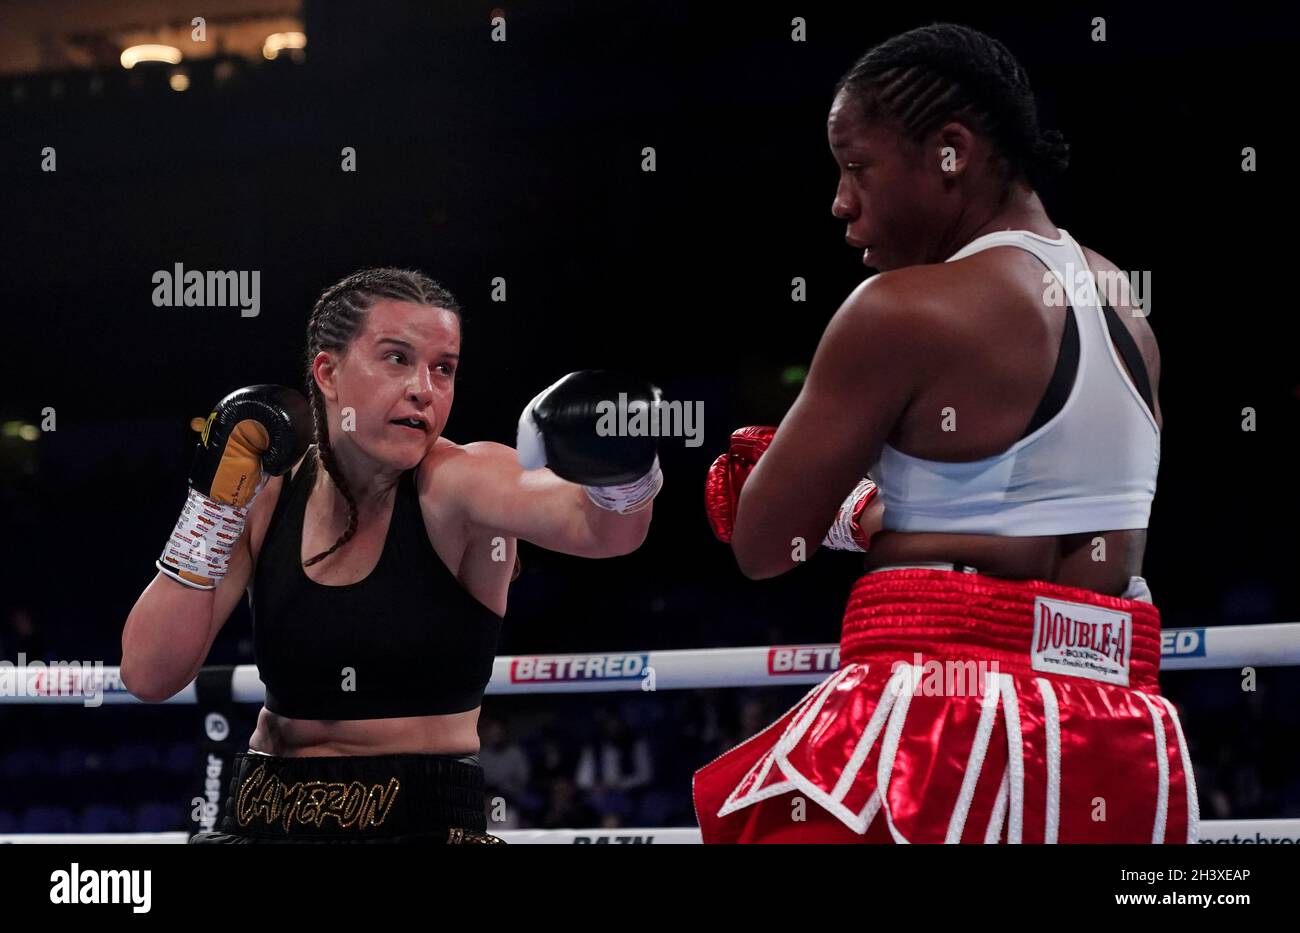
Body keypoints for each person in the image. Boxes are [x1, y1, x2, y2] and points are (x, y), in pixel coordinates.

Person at [694, 24, 1197, 843]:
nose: (840, 200)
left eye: (857, 166)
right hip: (1118, 734)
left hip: (944, 724)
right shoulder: (1127, 313)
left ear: (950, 152)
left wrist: (850, 510)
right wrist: (884, 518)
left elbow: (761, 540)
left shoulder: (905, 307)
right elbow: (1049, 532)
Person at [122, 267, 662, 843]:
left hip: (417, 824)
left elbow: (604, 532)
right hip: (260, 817)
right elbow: (150, 674)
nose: (424, 389)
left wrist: (623, 466)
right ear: (328, 373)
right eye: (397, 358)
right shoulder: (267, 490)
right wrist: (211, 508)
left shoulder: (457, 482)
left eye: (444, 368)